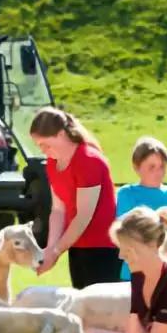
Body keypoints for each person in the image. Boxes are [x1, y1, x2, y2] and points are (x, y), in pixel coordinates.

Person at [30, 107, 119, 287]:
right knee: (81, 300)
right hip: (77, 246)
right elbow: (58, 210)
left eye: (46, 144)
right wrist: (50, 249)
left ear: (61, 134)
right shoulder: (52, 163)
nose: (43, 150)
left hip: (104, 248)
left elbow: (83, 216)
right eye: (39, 145)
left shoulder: (88, 160)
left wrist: (56, 251)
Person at [116, 136, 167, 280]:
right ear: (136, 167)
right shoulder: (127, 194)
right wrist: (157, 217)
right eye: (152, 167)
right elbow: (124, 230)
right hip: (135, 272)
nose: (158, 172)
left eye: (162, 167)